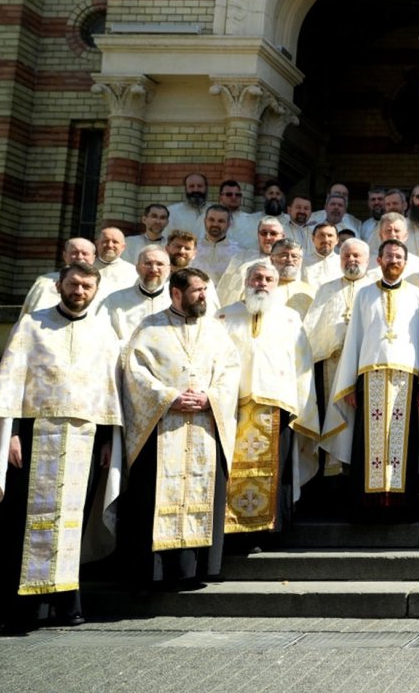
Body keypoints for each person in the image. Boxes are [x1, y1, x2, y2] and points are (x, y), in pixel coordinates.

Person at [0, 262, 121, 632]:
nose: (79, 291)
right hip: (34, 436)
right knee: (22, 524)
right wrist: (12, 432)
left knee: (71, 523)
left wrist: (106, 440)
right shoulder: (32, 325)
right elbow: (10, 381)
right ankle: (19, 610)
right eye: (73, 284)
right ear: (59, 286)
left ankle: (64, 604)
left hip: (84, 439)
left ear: (95, 290)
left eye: (86, 286)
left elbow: (108, 388)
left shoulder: (104, 332)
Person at [120, 267, 240, 588]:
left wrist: (210, 398)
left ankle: (195, 571)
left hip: (204, 428)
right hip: (162, 431)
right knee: (155, 495)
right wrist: (168, 397)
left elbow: (231, 372)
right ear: (176, 293)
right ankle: (157, 573)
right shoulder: (149, 328)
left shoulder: (215, 330)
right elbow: (134, 373)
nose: (203, 296)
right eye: (197, 290)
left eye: (205, 290)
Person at [321, 240, 419, 519]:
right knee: (368, 443)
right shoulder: (364, 294)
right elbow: (354, 341)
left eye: (398, 257)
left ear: (405, 263)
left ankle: (401, 507)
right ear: (379, 260)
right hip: (369, 379)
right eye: (388, 256)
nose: (393, 260)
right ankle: (368, 507)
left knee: (402, 444)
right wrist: (349, 384)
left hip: (406, 380)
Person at [215, 261, 319, 536]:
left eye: (268, 279)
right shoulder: (224, 316)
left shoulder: (290, 319)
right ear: (246, 281)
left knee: (276, 471)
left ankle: (272, 531)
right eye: (256, 278)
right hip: (232, 408)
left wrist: (301, 406)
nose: (262, 283)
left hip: (276, 406)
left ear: (276, 284)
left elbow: (302, 366)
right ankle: (233, 531)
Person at [302, 238, 372, 464]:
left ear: (367, 260)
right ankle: (332, 472)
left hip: (364, 367)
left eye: (356, 255)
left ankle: (359, 467)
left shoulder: (375, 289)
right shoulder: (327, 289)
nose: (351, 259)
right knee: (332, 416)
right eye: (346, 256)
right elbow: (312, 329)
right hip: (331, 364)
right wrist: (329, 344)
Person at [99, 245, 172, 340]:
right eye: (147, 263)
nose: (153, 269)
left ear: (169, 269)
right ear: (137, 268)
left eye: (160, 264)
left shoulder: (178, 300)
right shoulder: (115, 300)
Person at [21, 238, 95, 315]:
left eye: (85, 253)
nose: (79, 257)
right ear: (65, 256)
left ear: (93, 258)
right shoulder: (46, 282)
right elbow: (37, 315)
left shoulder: (102, 284)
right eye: (74, 253)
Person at [269, 238, 316, 317]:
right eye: (284, 255)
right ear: (272, 259)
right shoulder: (263, 289)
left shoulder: (311, 292)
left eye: (294, 256)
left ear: (301, 260)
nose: (289, 260)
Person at [93, 227, 137, 298]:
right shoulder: (87, 267)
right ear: (97, 244)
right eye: (105, 241)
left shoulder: (133, 272)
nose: (110, 245)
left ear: (123, 247)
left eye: (115, 242)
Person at [165, 172, 209, 240]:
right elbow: (166, 238)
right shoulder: (171, 211)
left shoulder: (215, 212)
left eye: (200, 186)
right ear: (185, 189)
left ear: (206, 188)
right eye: (191, 186)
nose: (196, 190)